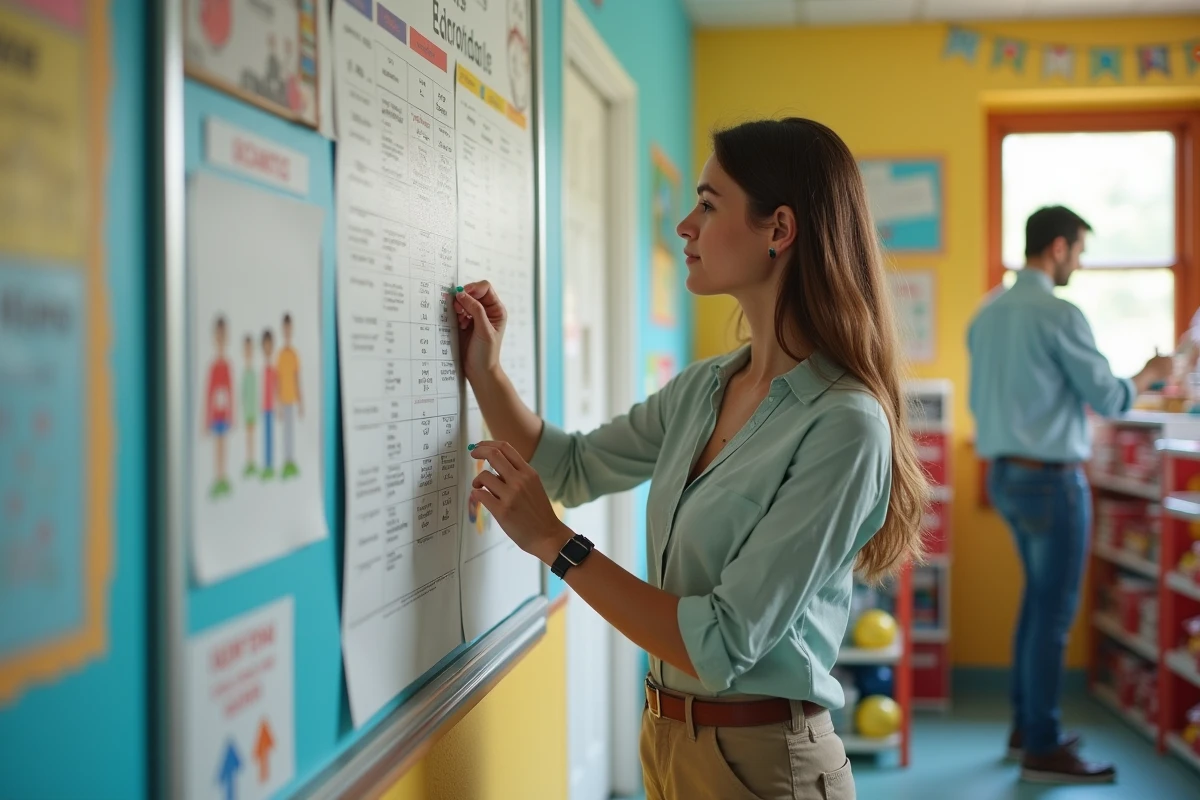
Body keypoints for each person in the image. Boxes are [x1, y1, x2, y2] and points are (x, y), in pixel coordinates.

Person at [454, 118, 928, 800]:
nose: (684, 225)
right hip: (669, 740)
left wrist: (556, 544)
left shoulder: (845, 426)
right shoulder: (707, 387)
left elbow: (719, 643)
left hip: (767, 764)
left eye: (707, 204)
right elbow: (572, 466)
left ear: (779, 230)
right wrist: (486, 373)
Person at [968, 205, 1173, 785]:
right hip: (1052, 481)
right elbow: (1110, 399)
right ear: (1057, 248)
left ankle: (1025, 727)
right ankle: (1042, 745)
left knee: (1036, 605)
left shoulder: (986, 313)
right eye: (1078, 252)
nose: (1077, 265)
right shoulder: (1058, 313)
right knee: (1053, 615)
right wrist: (1151, 371)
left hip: (1004, 476)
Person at [204, 315, 234, 499]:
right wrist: (207, 418)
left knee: (223, 445)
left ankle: (223, 476)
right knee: (217, 445)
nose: (221, 338)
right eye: (218, 335)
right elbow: (209, 392)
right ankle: (218, 476)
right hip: (216, 413)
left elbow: (230, 391)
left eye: (223, 335)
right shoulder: (214, 367)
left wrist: (231, 413)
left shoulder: (227, 366)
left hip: (224, 412)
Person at [277, 313, 303, 479]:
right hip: (284, 399)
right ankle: (286, 460)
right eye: (285, 328)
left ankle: (291, 460)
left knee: (291, 431)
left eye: (289, 328)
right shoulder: (280, 355)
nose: (287, 331)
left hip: (292, 399)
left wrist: (301, 402)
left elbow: (297, 378)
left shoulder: (294, 354)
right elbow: (278, 380)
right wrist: (278, 403)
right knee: (285, 432)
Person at [260, 328, 277, 480]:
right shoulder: (262, 369)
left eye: (269, 345)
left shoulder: (273, 369)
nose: (267, 348)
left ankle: (270, 464)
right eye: (265, 345)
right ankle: (266, 464)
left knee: (271, 437)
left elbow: (276, 388)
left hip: (271, 408)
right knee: (264, 437)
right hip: (263, 408)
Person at [241, 334, 258, 476]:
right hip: (247, 411)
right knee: (248, 435)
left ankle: (252, 461)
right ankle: (249, 461)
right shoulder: (245, 374)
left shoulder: (253, 374)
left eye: (250, 349)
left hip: (253, 410)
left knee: (252, 435)